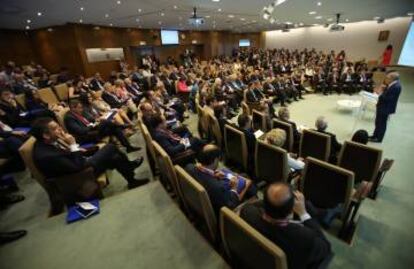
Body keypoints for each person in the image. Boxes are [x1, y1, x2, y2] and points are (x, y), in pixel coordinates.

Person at [31, 117, 149, 189]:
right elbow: (77, 167)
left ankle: (132, 181)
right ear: (45, 135)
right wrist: (72, 145)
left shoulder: (48, 142)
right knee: (110, 148)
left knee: (115, 157)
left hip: (78, 164)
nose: (60, 130)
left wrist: (77, 150)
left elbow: (67, 156)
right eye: (55, 128)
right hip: (79, 177)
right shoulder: (47, 155)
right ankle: (129, 166)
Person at [240, 183, 333, 269]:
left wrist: (274, 199)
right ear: (291, 211)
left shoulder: (246, 211)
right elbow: (326, 247)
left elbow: (256, 205)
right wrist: (303, 213)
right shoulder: (305, 237)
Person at [185, 144, 257, 214]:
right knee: (248, 183)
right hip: (220, 208)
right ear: (215, 160)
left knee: (243, 175)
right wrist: (234, 188)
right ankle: (254, 199)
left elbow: (202, 175)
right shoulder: (217, 187)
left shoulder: (189, 167)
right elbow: (231, 205)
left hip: (198, 200)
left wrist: (213, 174)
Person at [64, 100, 140, 153]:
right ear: (73, 108)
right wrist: (92, 125)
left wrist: (96, 120)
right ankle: (123, 126)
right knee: (105, 122)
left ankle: (128, 147)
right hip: (87, 136)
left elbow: (91, 119)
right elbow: (80, 131)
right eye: (79, 108)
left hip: (94, 131)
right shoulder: (69, 118)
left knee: (114, 128)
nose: (82, 109)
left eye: (81, 107)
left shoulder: (80, 112)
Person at [370, 71, 401, 143]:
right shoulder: (393, 84)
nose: (386, 79)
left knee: (382, 123)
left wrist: (380, 93)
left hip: (385, 108)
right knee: (378, 122)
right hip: (382, 106)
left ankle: (378, 138)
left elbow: (388, 98)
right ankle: (375, 135)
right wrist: (385, 88)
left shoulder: (396, 87)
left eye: (387, 77)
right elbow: (388, 92)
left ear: (392, 79)